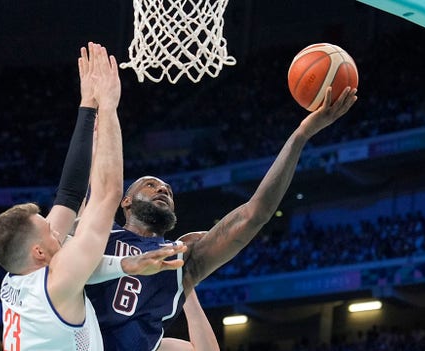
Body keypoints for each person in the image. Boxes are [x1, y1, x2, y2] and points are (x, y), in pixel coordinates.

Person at [85, 86, 358, 350]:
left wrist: (301, 135)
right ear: (126, 201)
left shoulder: (182, 257)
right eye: (150, 185)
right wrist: (95, 128)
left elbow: (254, 214)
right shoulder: (100, 235)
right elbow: (93, 185)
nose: (163, 190)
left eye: (168, 190)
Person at [0, 42, 186, 350]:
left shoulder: (18, 277)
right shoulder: (56, 282)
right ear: (39, 252)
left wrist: (87, 106)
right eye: (50, 232)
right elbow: (108, 195)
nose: (59, 231)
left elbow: (68, 194)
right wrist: (108, 106)